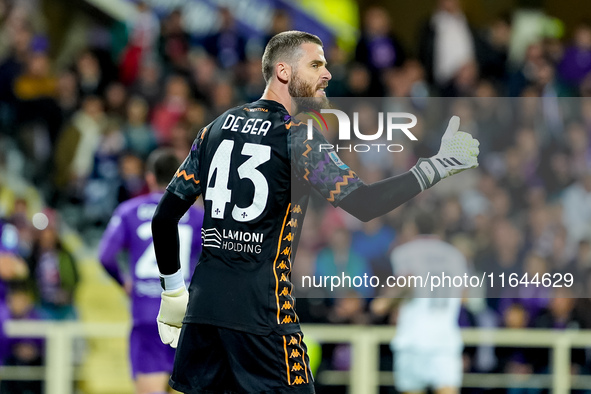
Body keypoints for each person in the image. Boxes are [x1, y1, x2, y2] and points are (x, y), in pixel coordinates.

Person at [152, 30, 479, 393]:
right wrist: (434, 167)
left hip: (204, 312)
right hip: (262, 313)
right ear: (283, 72)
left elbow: (164, 217)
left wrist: (173, 293)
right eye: (315, 64)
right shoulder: (298, 138)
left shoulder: (214, 129)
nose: (327, 74)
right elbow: (365, 203)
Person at [99, 148, 204, 394]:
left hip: (147, 313)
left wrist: (124, 282)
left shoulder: (128, 211)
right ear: (180, 176)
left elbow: (105, 256)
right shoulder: (197, 216)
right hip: (187, 312)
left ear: (149, 178)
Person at [371, 211, 468, 394]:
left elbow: (406, 283)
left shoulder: (404, 253)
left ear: (413, 228)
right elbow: (464, 295)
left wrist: (385, 304)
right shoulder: (455, 255)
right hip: (445, 339)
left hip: (413, 338)